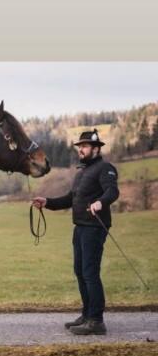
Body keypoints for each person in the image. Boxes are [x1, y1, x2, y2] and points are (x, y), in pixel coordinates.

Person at [32, 129, 119, 335]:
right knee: (80, 272)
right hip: (80, 227)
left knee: (90, 273)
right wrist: (47, 202)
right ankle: (87, 315)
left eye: (85, 146)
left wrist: (100, 202)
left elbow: (112, 191)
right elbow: (70, 199)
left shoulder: (105, 168)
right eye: (80, 146)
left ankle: (96, 321)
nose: (81, 149)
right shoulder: (82, 173)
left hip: (94, 228)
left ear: (96, 149)